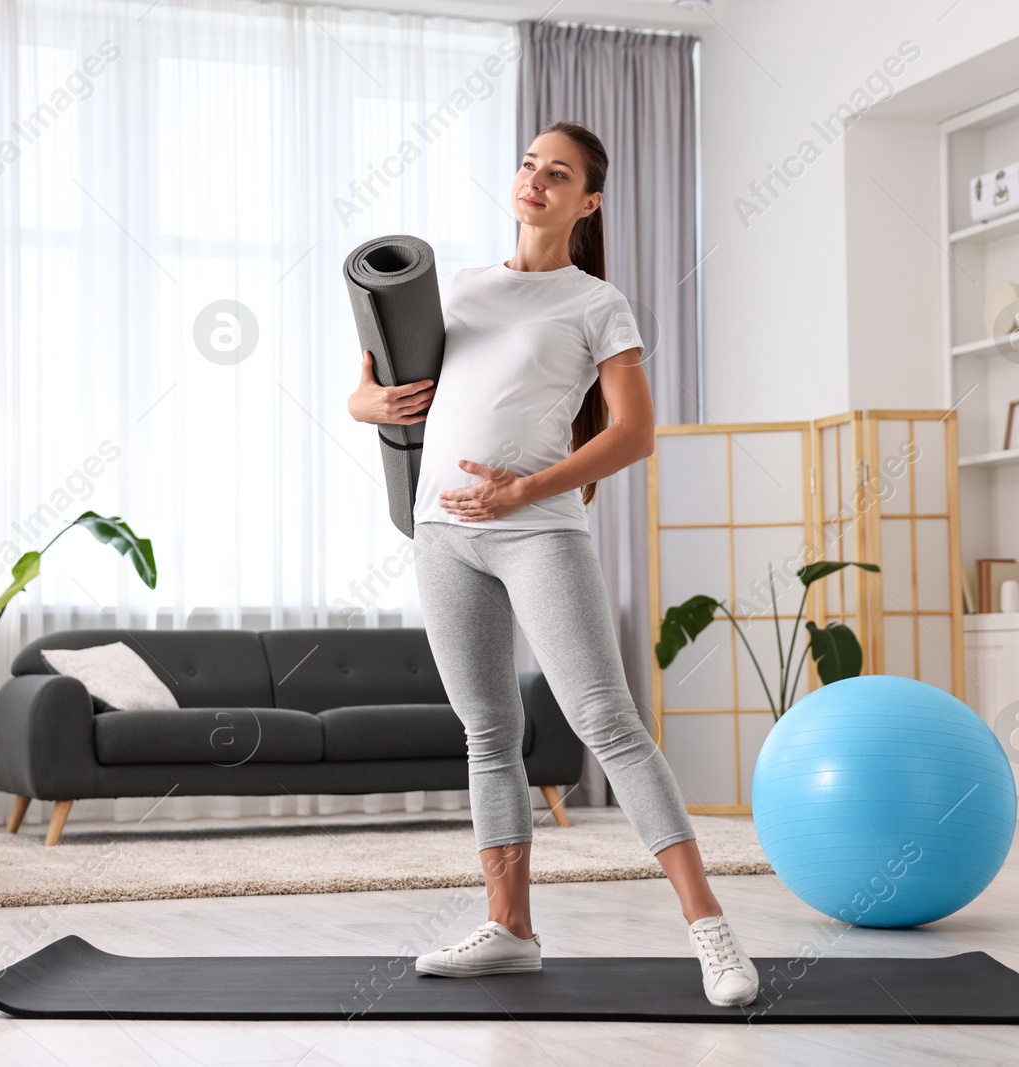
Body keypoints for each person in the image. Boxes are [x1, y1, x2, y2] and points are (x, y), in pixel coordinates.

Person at [345, 121, 760, 1008]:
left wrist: (522, 492)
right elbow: (364, 389)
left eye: (558, 173)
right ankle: (511, 930)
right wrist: (369, 400)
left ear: (589, 201)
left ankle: (712, 933)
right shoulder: (456, 289)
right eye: (529, 164)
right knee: (487, 734)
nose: (535, 180)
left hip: (538, 530)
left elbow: (633, 434)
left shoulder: (595, 302)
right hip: (441, 533)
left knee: (609, 724)